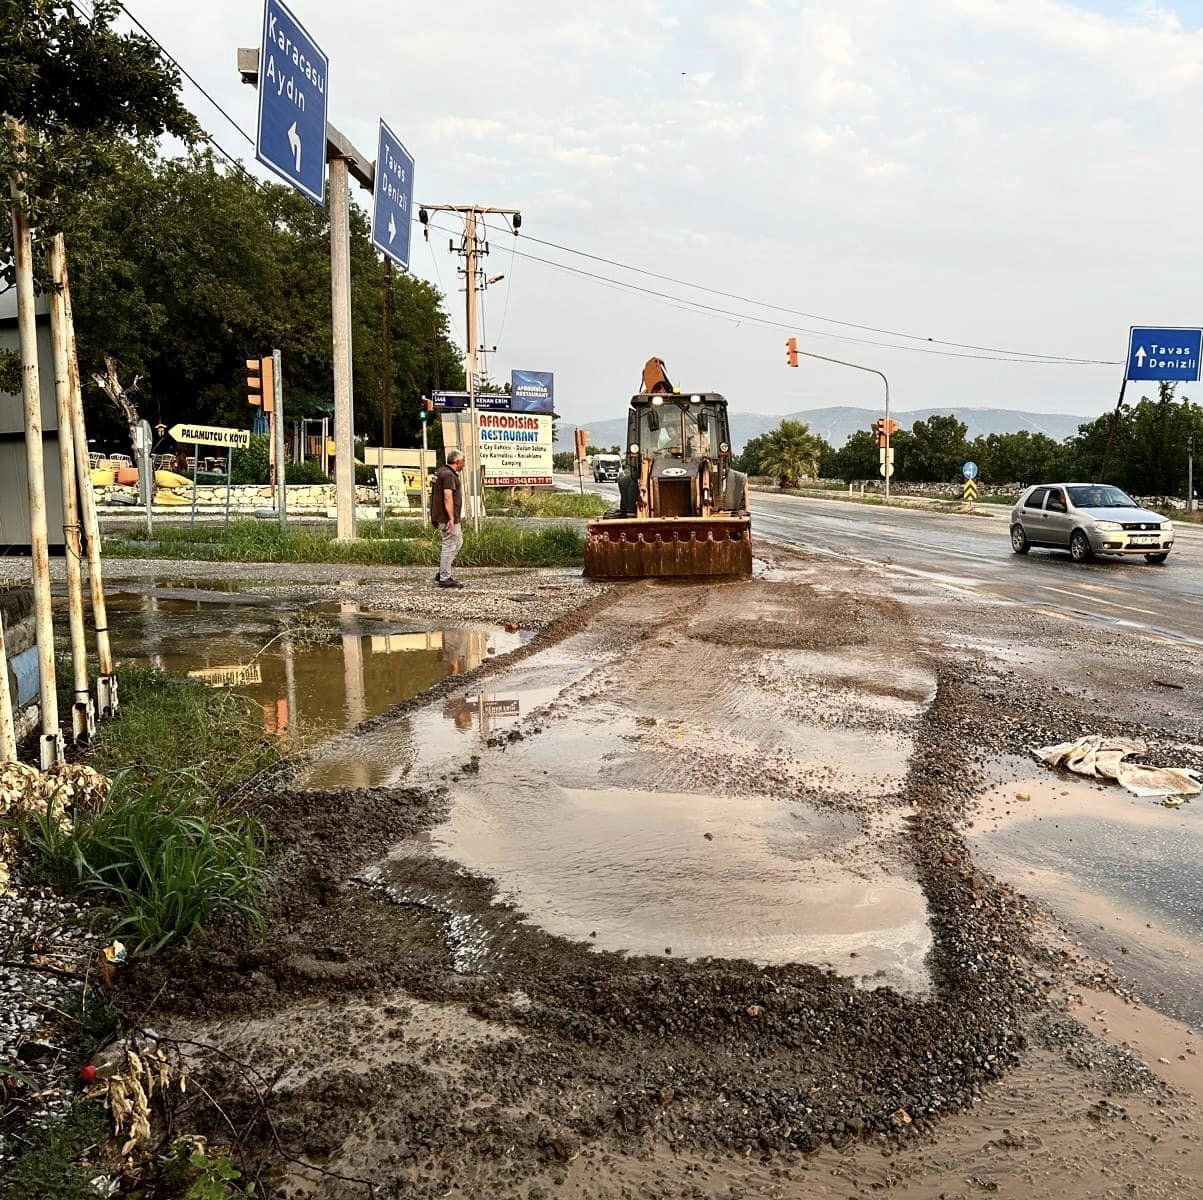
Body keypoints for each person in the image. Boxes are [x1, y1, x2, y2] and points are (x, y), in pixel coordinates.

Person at [431, 448, 466, 588]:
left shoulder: (441, 472)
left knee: (458, 542)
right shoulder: (449, 475)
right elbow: (447, 497)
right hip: (446, 518)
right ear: (457, 462)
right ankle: (444, 578)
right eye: (463, 461)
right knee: (450, 545)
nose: (463, 464)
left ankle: (442, 571)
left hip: (442, 516)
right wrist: (451, 518)